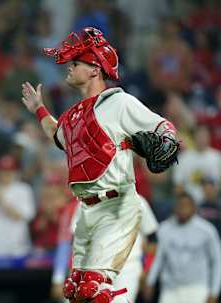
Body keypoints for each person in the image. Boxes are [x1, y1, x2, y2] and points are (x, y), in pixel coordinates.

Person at [21, 27, 179, 302]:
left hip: (116, 206)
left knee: (94, 289)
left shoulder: (119, 102)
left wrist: (164, 143)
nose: (70, 67)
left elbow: (164, 127)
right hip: (85, 210)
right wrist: (39, 109)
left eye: (77, 63)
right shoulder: (73, 115)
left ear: (95, 70)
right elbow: (57, 135)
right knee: (76, 292)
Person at [144, 192, 221, 303]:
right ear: (175, 207)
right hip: (170, 289)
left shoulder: (207, 230)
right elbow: (158, 258)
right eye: (180, 205)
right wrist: (150, 282)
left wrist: (214, 292)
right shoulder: (164, 229)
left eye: (187, 205)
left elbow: (217, 262)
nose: (183, 209)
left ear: (194, 208)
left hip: (197, 288)